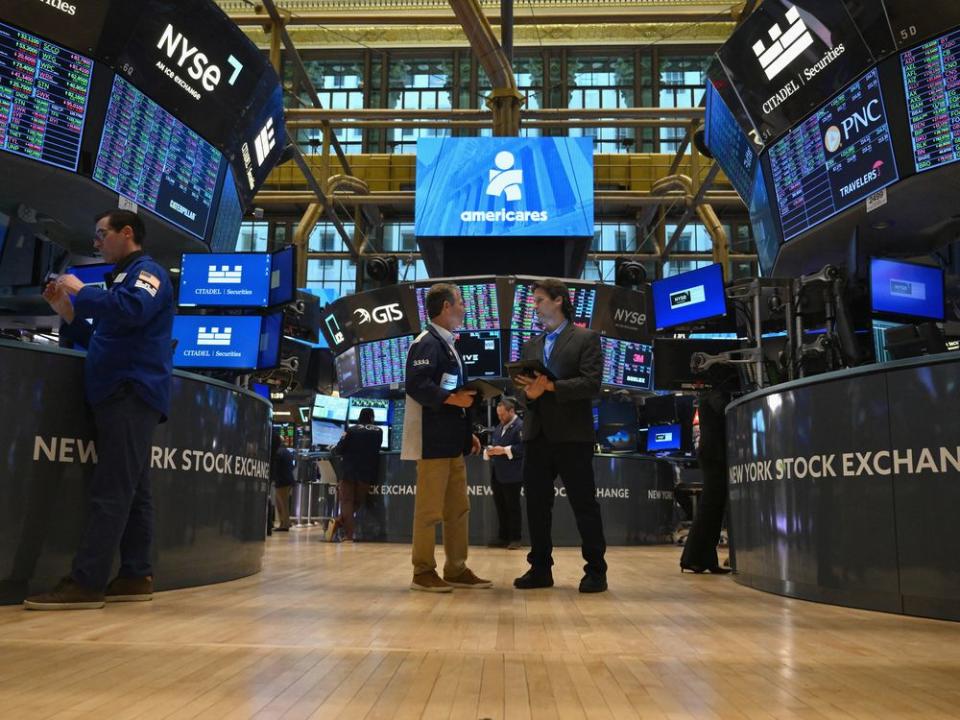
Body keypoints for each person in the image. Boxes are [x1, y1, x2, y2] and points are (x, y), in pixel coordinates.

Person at [25, 210, 174, 610]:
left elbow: (133, 310)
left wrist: (80, 288)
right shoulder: (119, 280)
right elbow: (103, 338)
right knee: (134, 490)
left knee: (111, 490)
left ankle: (86, 581)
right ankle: (135, 575)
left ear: (127, 233)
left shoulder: (148, 272)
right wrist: (67, 310)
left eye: (100, 235)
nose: (96, 243)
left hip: (130, 393)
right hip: (121, 392)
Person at [513, 278, 608, 593]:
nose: (535, 306)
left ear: (558, 301)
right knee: (537, 506)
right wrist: (531, 393)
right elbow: (522, 395)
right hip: (536, 434)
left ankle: (596, 570)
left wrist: (551, 387)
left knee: (584, 505)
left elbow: (591, 384)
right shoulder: (531, 345)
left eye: (539, 300)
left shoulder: (586, 338)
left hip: (573, 436)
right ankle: (540, 568)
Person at [401, 283, 492, 593]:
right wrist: (453, 400)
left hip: (453, 443)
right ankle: (422, 571)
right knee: (429, 511)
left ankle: (456, 567)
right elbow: (416, 384)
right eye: (460, 303)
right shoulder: (426, 343)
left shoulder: (449, 344)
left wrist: (469, 435)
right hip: (433, 442)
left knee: (458, 509)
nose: (464, 309)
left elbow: (457, 393)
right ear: (445, 308)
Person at [679, 390, 732, 574]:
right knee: (711, 507)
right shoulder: (715, 394)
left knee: (712, 508)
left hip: (712, 453)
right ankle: (694, 558)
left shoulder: (707, 394)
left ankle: (701, 559)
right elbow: (728, 410)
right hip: (714, 454)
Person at [330, 407, 382, 542]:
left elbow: (339, 449)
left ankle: (348, 535)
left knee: (347, 502)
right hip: (367, 472)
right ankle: (340, 521)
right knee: (358, 501)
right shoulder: (378, 431)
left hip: (349, 471)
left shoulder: (351, 430)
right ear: (372, 418)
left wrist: (333, 450)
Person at [484, 396, 524, 549]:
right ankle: (503, 537)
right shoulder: (499, 427)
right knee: (500, 506)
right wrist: (490, 450)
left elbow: (523, 448)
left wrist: (504, 450)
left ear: (511, 411)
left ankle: (515, 538)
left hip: (513, 474)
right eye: (498, 414)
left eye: (502, 414)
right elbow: (496, 444)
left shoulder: (520, 426)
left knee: (512, 507)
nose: (500, 417)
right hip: (497, 472)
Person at [271, 431, 295, 532]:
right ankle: (285, 522)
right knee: (282, 503)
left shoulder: (278, 452)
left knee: (282, 504)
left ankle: (284, 524)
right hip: (288, 480)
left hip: (282, 481)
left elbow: (275, 468)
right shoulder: (287, 452)